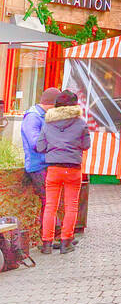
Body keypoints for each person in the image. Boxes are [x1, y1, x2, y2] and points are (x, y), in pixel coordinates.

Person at [34, 90, 90, 253]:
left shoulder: (48, 123)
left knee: (50, 206)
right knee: (71, 206)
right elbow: (86, 145)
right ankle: (66, 243)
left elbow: (40, 147)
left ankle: (46, 244)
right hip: (73, 169)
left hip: (54, 168)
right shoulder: (81, 123)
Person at [20, 87, 63, 248]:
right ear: (51, 104)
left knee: (50, 202)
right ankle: (49, 238)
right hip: (38, 166)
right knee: (49, 202)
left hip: (46, 164)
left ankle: (53, 236)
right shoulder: (33, 117)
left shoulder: (42, 116)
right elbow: (35, 143)